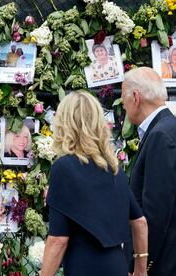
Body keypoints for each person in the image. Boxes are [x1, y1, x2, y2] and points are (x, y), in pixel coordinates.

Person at [41, 92, 148, 276]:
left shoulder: (63, 168)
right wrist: (140, 269)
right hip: (117, 266)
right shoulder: (113, 167)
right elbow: (140, 222)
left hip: (83, 268)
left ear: (65, 124)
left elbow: (58, 240)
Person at [121, 67, 176, 276]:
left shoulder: (162, 135)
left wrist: (142, 264)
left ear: (136, 97)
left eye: (123, 98)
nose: (123, 106)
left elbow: (156, 212)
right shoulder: (169, 128)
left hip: (173, 262)